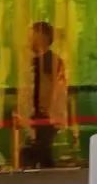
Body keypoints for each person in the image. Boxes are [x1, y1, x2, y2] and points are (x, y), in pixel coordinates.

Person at [16, 21, 68, 169]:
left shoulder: (52, 62)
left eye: (32, 35)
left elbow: (56, 90)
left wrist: (50, 112)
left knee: (35, 153)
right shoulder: (34, 61)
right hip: (36, 117)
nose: (28, 40)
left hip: (46, 117)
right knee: (41, 155)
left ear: (41, 37)